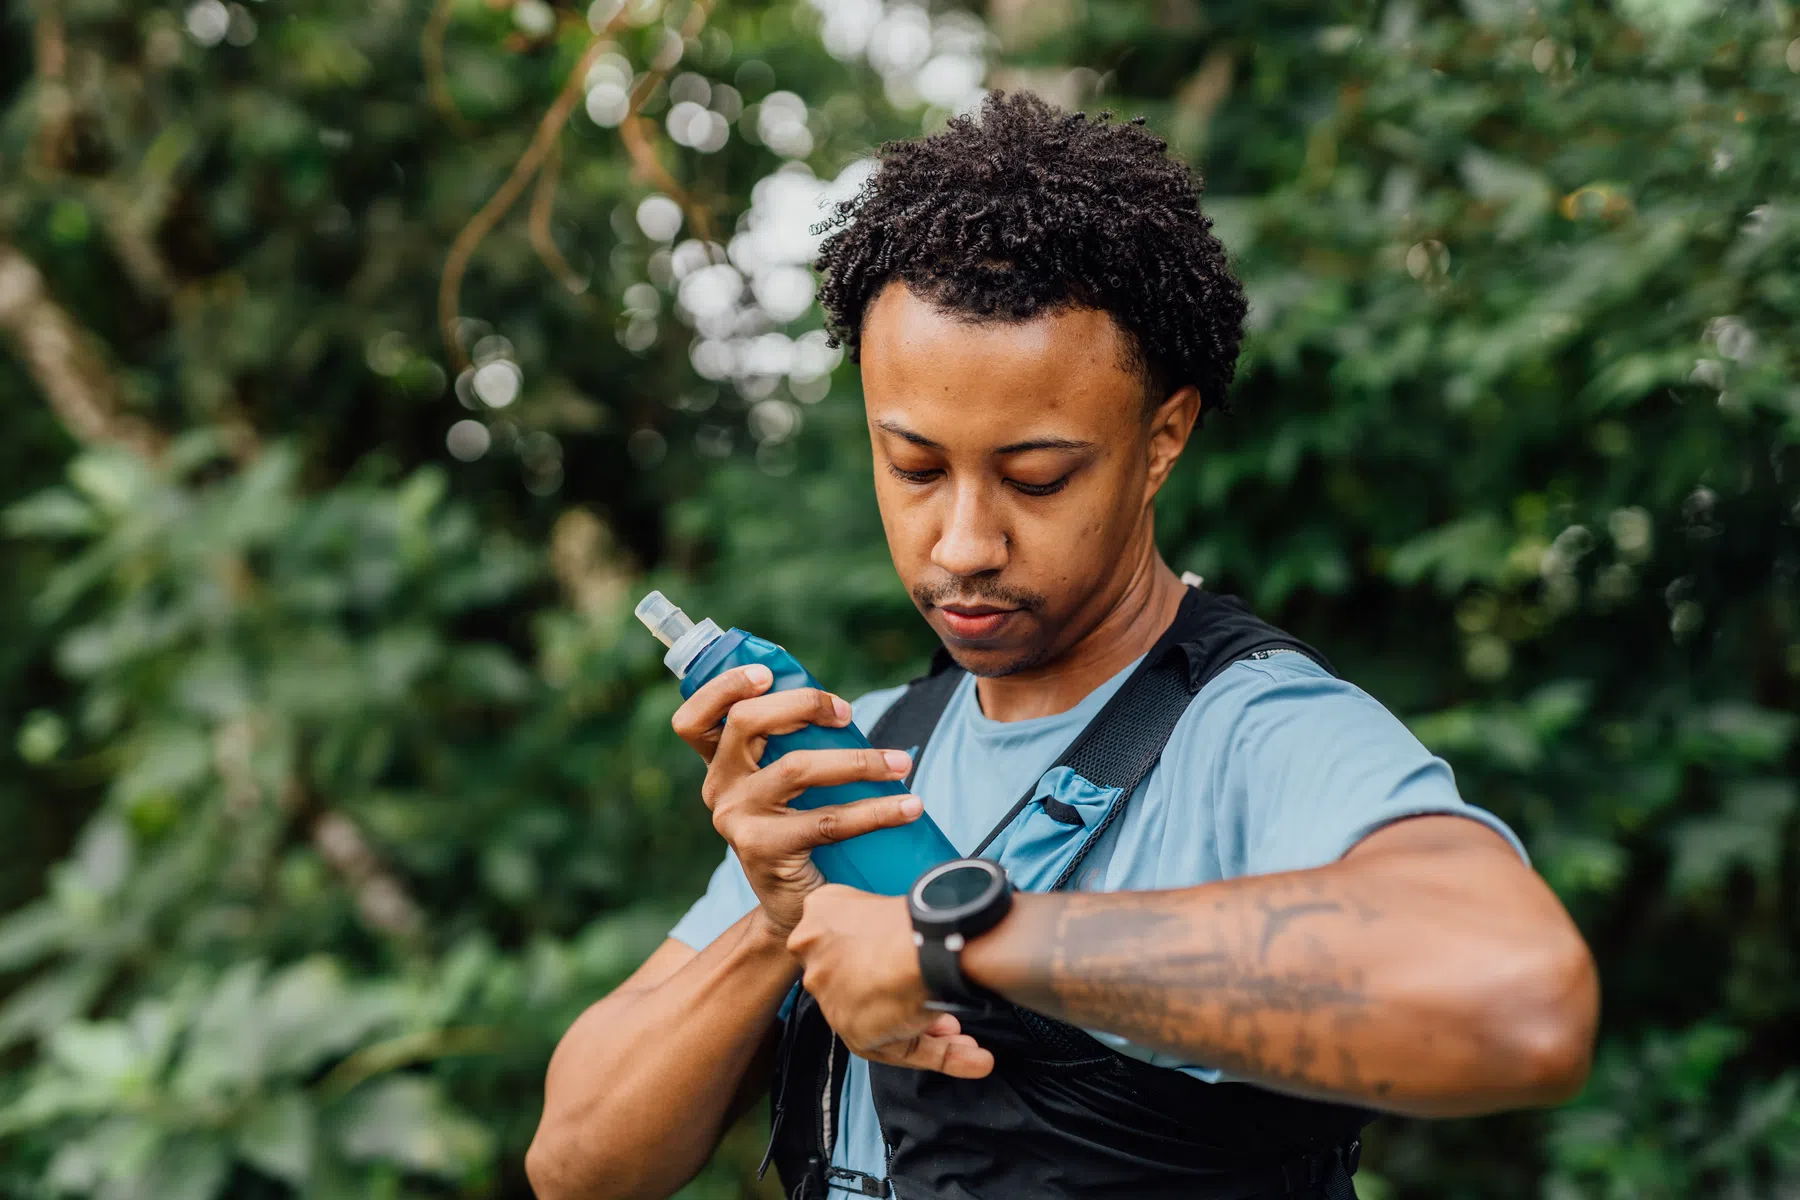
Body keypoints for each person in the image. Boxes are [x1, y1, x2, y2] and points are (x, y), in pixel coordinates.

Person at [526, 91, 1599, 1200]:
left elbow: (1522, 1000)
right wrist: (781, 920)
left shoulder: (1253, 735)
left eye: (1037, 477)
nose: (963, 543)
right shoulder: (869, 756)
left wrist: (960, 938)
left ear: (1161, 439)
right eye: (915, 467)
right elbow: (576, 1167)